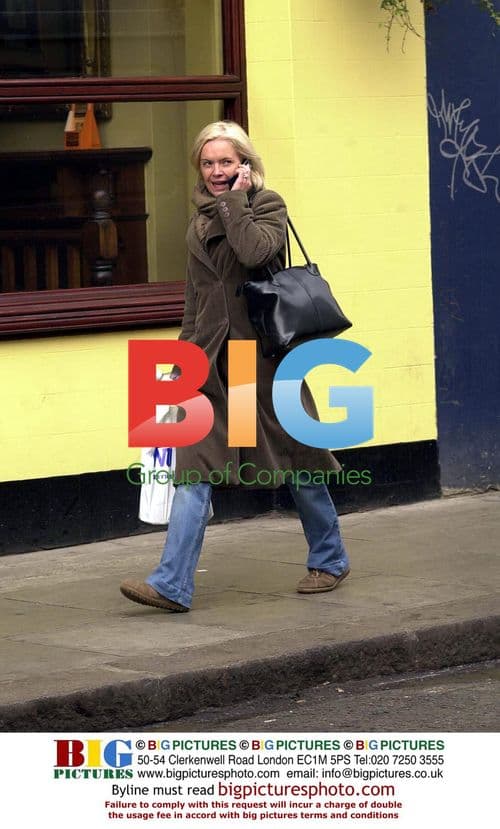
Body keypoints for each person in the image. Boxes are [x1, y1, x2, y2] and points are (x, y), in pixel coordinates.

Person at [120, 121, 350, 613]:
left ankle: (329, 558)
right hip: (208, 364)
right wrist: (181, 361)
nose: (217, 171)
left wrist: (236, 203)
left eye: (226, 161)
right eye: (208, 163)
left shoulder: (266, 206)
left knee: (294, 459)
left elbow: (255, 252)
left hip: (257, 360)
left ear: (245, 162)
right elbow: (194, 299)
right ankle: (172, 583)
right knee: (194, 466)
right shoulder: (198, 220)